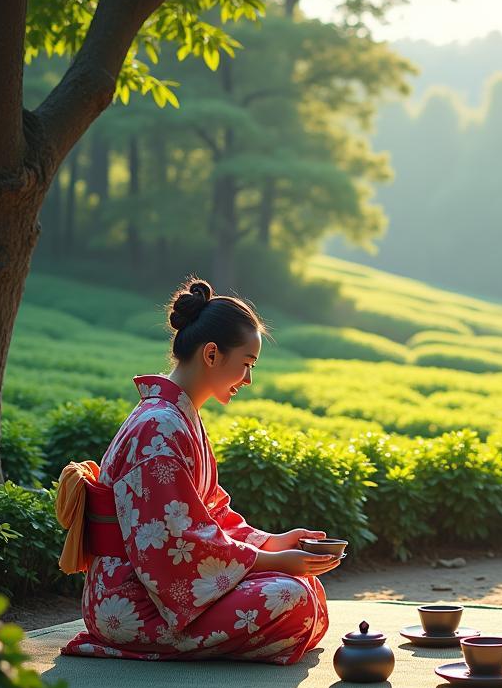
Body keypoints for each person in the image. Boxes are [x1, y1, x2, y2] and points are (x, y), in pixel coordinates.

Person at [56, 279, 340, 664]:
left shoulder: (176, 419)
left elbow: (212, 517)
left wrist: (275, 542)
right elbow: (174, 544)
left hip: (155, 589)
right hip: (132, 602)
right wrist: (272, 562)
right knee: (293, 599)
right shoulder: (160, 426)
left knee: (305, 589)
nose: (248, 379)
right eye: (246, 364)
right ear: (211, 355)